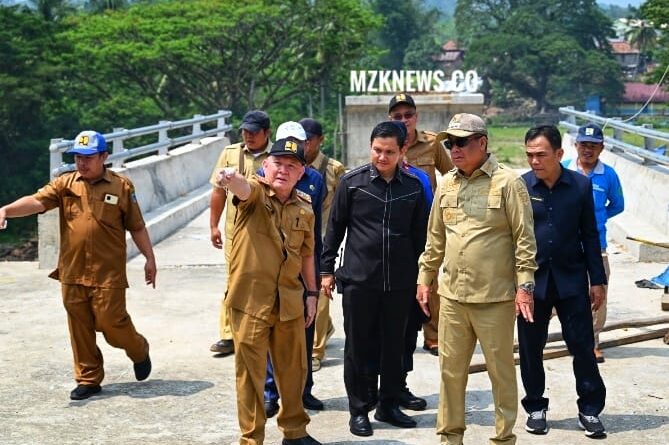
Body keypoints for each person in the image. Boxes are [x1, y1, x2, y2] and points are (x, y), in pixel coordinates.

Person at [0, 131, 155, 400]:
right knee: (79, 326)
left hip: (108, 273)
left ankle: (138, 349)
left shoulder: (121, 187)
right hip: (73, 270)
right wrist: (6, 210)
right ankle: (88, 378)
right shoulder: (65, 184)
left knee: (112, 323)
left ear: (104, 157)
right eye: (77, 158)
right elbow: (36, 201)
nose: (82, 163)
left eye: (88, 157)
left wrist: (149, 258)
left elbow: (137, 226)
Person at [416, 113, 537, 445]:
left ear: (482, 143)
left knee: (501, 373)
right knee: (450, 373)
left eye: (461, 142)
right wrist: (425, 278)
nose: (454, 149)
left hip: (494, 298)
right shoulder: (447, 184)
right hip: (452, 298)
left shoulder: (508, 183)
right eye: (449, 144)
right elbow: (435, 238)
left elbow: (525, 240)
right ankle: (450, 438)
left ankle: (503, 438)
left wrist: (525, 287)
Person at [321, 121, 428, 437]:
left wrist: (425, 278)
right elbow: (334, 229)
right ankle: (359, 410)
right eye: (377, 150)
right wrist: (326, 271)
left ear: (402, 150)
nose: (382, 157)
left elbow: (421, 237)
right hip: (360, 280)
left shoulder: (413, 186)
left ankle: (389, 404)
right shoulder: (352, 183)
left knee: (395, 346)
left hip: (400, 282)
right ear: (370, 147)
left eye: (389, 152)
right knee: (358, 348)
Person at [217, 138, 321, 445]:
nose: (284, 170)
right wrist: (231, 178)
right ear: (266, 166)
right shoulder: (255, 194)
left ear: (301, 173)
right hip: (251, 302)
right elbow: (242, 189)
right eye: (278, 164)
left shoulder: (305, 207)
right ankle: (252, 438)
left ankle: (295, 432)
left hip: (289, 300)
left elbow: (307, 255)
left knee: (294, 371)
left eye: (292, 166)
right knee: (251, 376)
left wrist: (312, 294)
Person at [520, 125, 607, 438]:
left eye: (541, 154)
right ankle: (535, 407)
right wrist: (517, 285)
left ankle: (590, 409)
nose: (534, 161)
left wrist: (597, 280)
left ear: (559, 153)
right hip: (533, 283)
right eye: (529, 155)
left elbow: (590, 234)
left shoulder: (580, 186)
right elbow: (513, 238)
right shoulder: (521, 186)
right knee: (531, 349)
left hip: (571, 281)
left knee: (582, 347)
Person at [262, 122, 326, 416]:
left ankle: (303, 389)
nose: (285, 167)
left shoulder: (314, 179)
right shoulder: (261, 180)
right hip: (269, 272)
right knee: (270, 334)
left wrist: (317, 280)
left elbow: (315, 231)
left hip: (301, 267)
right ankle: (270, 392)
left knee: (304, 331)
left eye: (297, 144)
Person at [389, 92, 453, 357]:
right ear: (390, 118)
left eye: (408, 115)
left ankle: (433, 335)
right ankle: (399, 333)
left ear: (416, 116)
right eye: (397, 116)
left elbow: (452, 175)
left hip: (428, 223)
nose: (403, 120)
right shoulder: (386, 142)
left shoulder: (432, 143)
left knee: (431, 279)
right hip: (395, 223)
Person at [209, 110, 272, 356]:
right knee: (233, 280)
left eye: (254, 132)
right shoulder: (230, 153)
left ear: (267, 132)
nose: (248, 136)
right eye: (245, 131)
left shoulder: (277, 156)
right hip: (235, 231)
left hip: (267, 231)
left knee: (265, 281)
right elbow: (218, 191)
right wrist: (214, 225)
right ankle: (228, 334)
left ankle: (264, 330)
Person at [563, 123, 624, 363]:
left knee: (598, 294)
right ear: (575, 145)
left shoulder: (608, 175)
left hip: (596, 245)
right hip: (566, 244)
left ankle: (593, 343)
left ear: (602, 148)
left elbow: (618, 204)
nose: (588, 150)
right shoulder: (564, 170)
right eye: (584, 145)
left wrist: (596, 219)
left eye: (593, 146)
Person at [299, 117, 346, 373]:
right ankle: (324, 327)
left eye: (309, 139)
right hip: (296, 239)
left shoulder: (334, 169)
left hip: (324, 239)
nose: (305, 144)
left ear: (320, 140)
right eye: (301, 139)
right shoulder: (290, 164)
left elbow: (346, 205)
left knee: (318, 292)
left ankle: (315, 352)